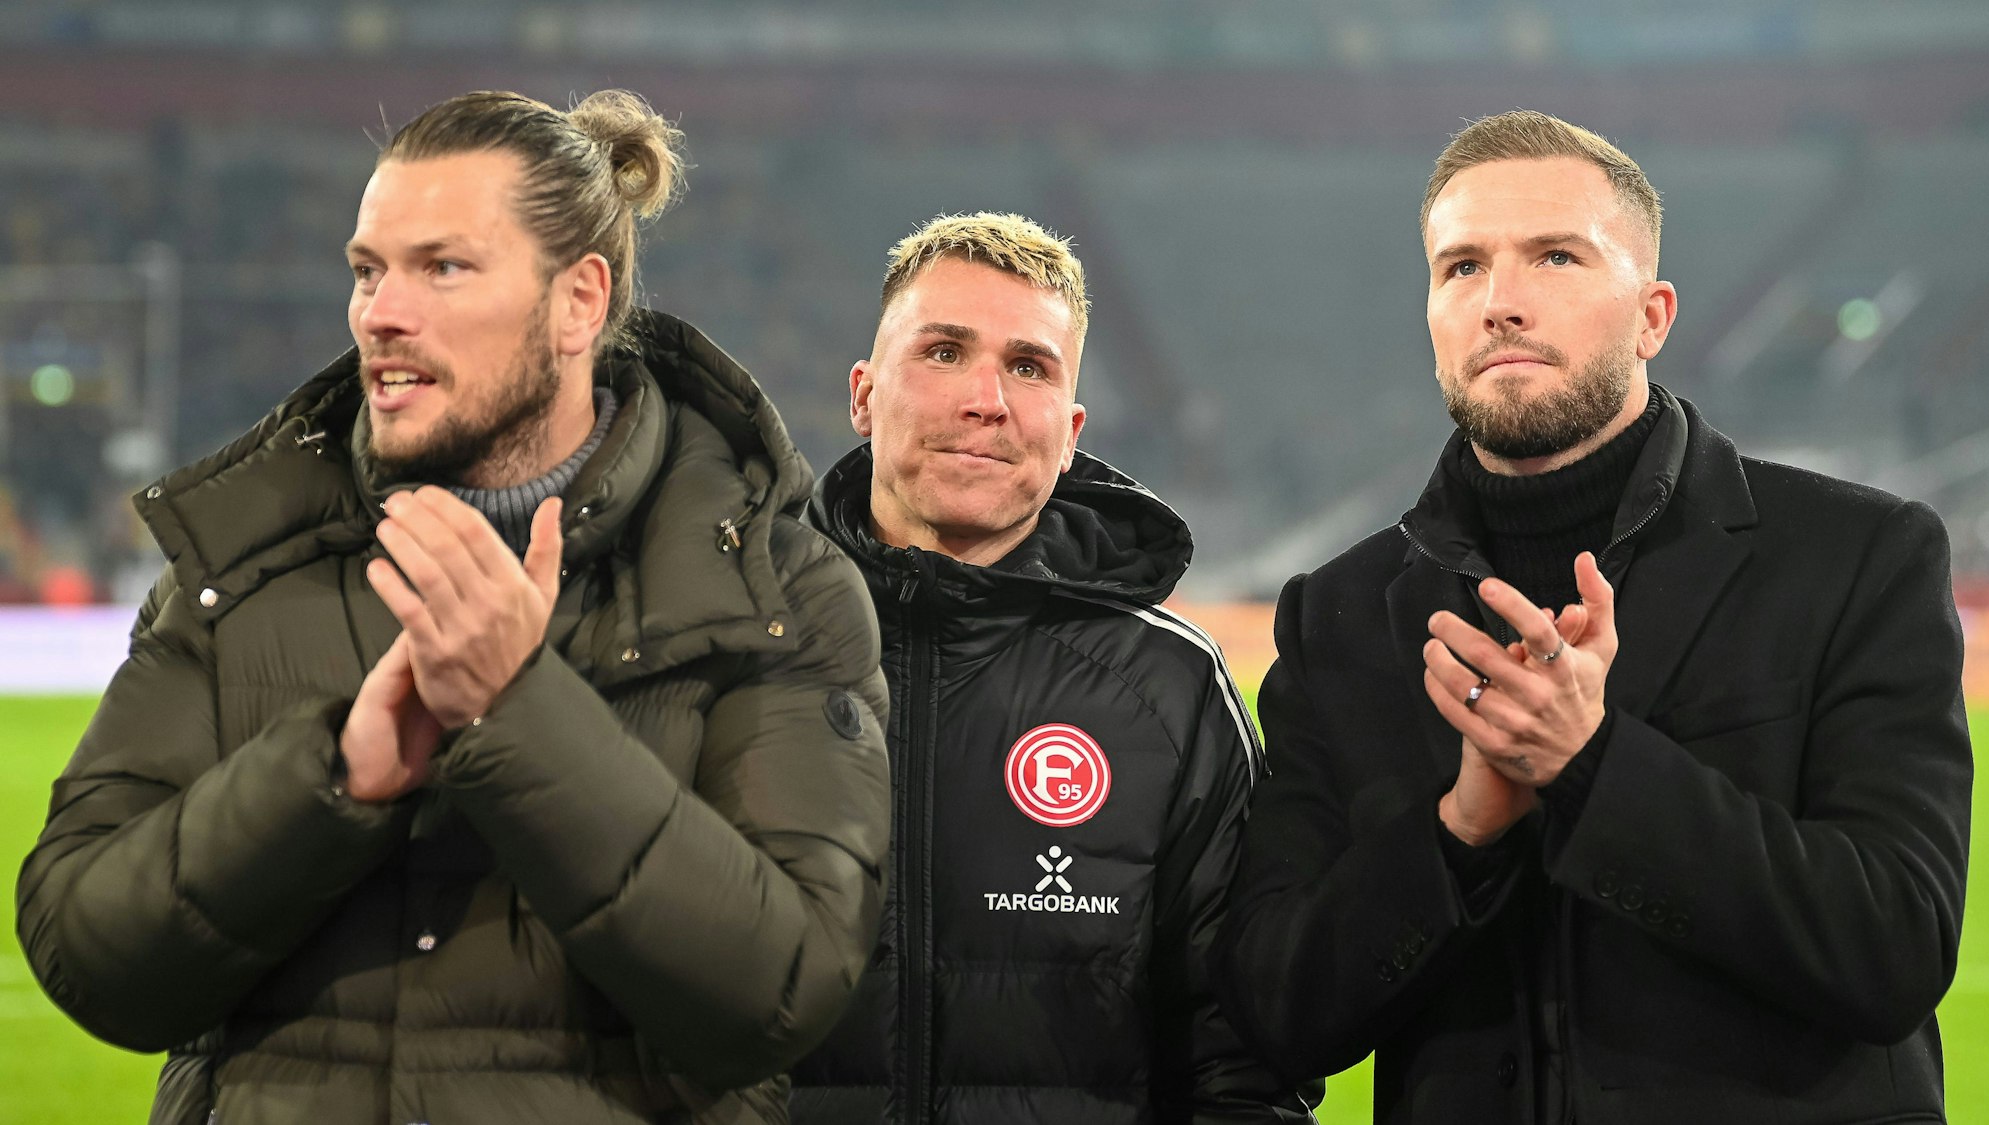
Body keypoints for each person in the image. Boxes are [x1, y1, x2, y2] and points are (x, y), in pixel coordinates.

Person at [15, 89, 891, 1125]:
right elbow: (89, 957)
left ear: (579, 301)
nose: (380, 313)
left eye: (442, 268)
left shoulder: (773, 588)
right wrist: (330, 777)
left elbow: (780, 992)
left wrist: (518, 712)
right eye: (367, 271)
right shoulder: (240, 568)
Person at [1216, 110, 1973, 1124]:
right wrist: (1459, 834)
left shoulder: (1856, 555)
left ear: (1651, 317)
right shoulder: (1338, 617)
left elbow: (1893, 949)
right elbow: (1277, 1014)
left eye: (1555, 257)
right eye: (1461, 267)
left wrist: (1592, 765)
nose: (1500, 302)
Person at [786, 212, 1318, 1123]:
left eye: (1029, 366)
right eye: (944, 351)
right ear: (864, 395)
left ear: (1070, 431)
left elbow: (1242, 1070)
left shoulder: (1170, 692)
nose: (986, 399)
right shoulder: (738, 644)